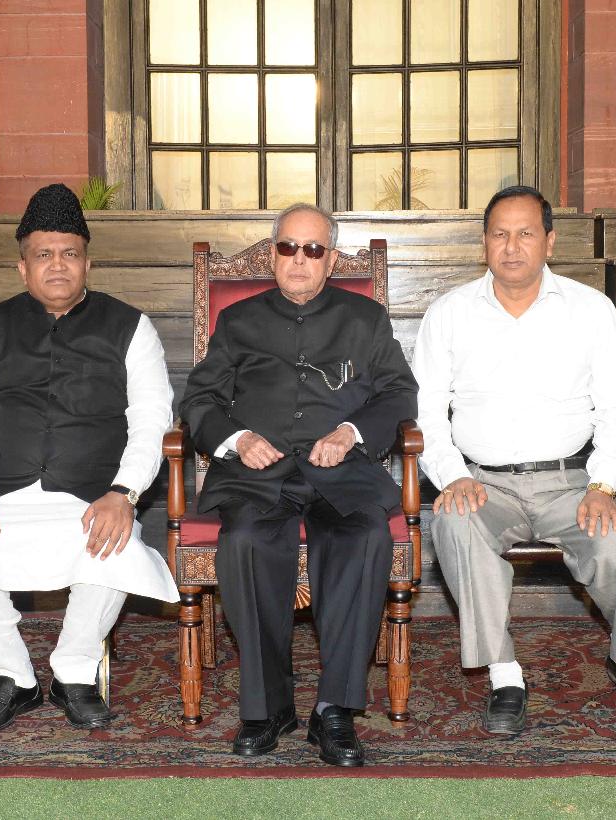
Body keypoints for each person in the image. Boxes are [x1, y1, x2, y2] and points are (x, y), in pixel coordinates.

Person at [0, 184, 178, 732]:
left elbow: (152, 419)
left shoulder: (130, 327)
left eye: (69, 253)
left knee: (114, 546)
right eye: (43, 254)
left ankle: (74, 673)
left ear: (87, 262)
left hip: (92, 495)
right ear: (22, 267)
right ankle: (11, 677)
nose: (58, 265)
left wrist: (124, 493)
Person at [413, 185, 616, 737]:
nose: (512, 246)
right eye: (499, 234)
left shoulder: (589, 310)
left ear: (550, 241)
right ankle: (504, 674)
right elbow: (425, 412)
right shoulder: (450, 313)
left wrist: (605, 485)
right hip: (484, 484)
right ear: (484, 243)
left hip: (572, 482)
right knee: (452, 522)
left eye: (525, 233)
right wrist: (452, 476)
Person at [179, 203, 417, 767]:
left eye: (313, 250)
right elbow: (199, 399)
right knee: (245, 541)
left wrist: (350, 432)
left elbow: (399, 393)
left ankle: (335, 708)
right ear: (272, 254)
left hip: (341, 473)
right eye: (288, 247)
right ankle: (269, 707)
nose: (299, 260)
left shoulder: (365, 319)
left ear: (331, 260)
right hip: (258, 476)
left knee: (364, 538)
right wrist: (237, 439)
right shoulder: (238, 320)